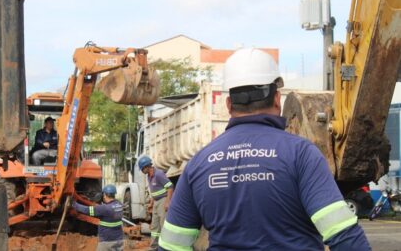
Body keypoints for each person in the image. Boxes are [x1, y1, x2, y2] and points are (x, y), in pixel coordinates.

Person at [158, 48, 371, 251]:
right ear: (277, 99)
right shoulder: (301, 154)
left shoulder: (199, 163)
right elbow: (344, 235)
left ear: (229, 104)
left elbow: (171, 245)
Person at [137, 156, 174, 251]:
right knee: (155, 226)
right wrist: (152, 202)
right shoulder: (149, 176)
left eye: (142, 168)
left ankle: (164, 247)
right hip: (156, 202)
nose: (142, 171)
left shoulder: (158, 174)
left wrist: (168, 202)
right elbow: (155, 190)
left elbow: (170, 187)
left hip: (163, 200)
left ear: (146, 167)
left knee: (163, 225)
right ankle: (154, 247)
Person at [72, 184, 124, 251]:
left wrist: (74, 204)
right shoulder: (119, 205)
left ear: (104, 195)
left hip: (107, 241)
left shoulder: (104, 208)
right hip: (119, 240)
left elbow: (87, 210)